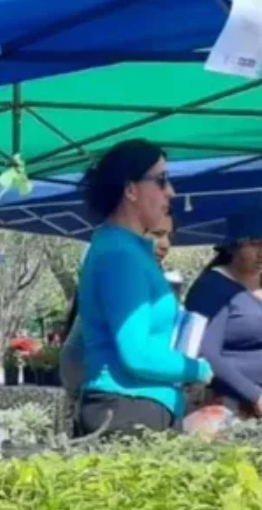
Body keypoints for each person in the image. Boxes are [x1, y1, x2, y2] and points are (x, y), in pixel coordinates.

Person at [72, 140, 212, 436]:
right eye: (161, 181)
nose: (171, 191)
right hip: (126, 412)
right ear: (131, 189)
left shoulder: (126, 250)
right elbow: (137, 354)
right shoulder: (121, 254)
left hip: (130, 408)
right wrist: (197, 369)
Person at [184, 215, 262, 417]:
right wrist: (256, 396)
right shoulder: (213, 288)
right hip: (227, 404)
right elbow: (206, 353)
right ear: (231, 247)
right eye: (255, 243)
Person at [60, 210, 177, 401]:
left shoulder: (146, 275)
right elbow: (75, 355)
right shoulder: (120, 272)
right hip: (110, 399)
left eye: (169, 236)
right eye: (156, 234)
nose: (165, 245)